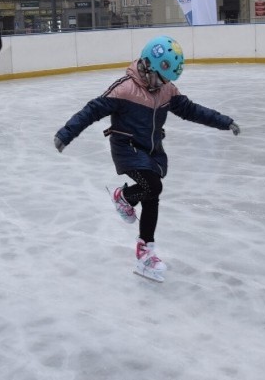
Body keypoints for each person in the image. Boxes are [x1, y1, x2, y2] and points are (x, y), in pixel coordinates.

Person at [53, 35, 240, 282]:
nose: (165, 83)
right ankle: (123, 197)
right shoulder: (124, 89)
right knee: (152, 186)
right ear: (149, 66)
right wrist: (67, 133)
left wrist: (224, 122)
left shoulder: (166, 91)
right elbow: (92, 110)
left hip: (152, 151)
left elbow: (192, 111)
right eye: (162, 77)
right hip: (126, 147)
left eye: (168, 80)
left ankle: (146, 253)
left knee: (152, 194)